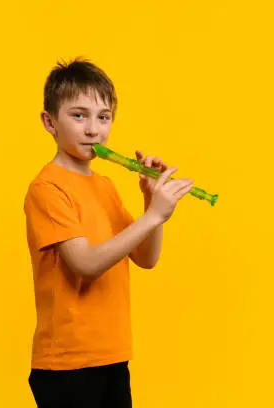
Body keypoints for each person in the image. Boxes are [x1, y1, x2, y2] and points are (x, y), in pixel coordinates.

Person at [24, 58, 194, 407]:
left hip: (112, 355)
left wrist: (151, 206)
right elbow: (85, 264)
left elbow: (146, 259)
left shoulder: (104, 186)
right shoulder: (47, 188)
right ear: (49, 122)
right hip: (68, 365)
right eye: (79, 115)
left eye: (103, 117)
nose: (93, 130)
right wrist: (153, 217)